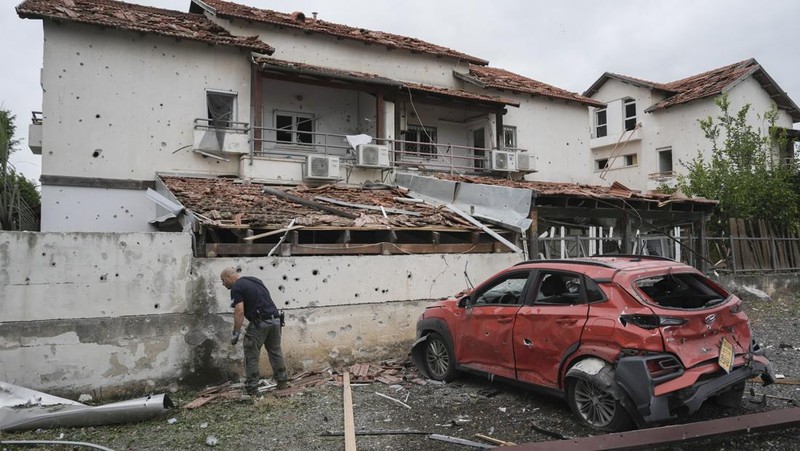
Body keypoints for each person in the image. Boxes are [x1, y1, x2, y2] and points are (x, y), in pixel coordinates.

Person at [220, 267, 290, 394]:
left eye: (223, 280)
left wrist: (236, 333)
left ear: (230, 277)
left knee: (251, 354)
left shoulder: (237, 287)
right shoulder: (256, 280)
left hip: (259, 323)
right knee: (275, 351)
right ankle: (282, 382)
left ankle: (251, 388)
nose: (223, 284)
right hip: (275, 320)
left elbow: (239, 311)